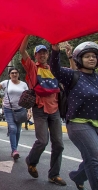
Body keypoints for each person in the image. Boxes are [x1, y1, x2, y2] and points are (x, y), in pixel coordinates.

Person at [19, 36, 66, 186]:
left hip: (55, 109)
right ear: (36, 56)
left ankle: (54, 174)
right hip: (39, 108)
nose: (43, 55)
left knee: (58, 144)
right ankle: (31, 161)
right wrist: (27, 33)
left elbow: (72, 72)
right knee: (42, 141)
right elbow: (21, 50)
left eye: (45, 53)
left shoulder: (54, 69)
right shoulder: (33, 67)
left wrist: (67, 53)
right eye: (40, 53)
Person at [51, 41, 98, 190]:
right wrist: (55, 51)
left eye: (94, 56)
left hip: (96, 123)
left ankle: (78, 176)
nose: (92, 59)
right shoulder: (72, 75)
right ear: (79, 59)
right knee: (95, 158)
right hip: (79, 124)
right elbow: (55, 70)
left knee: (92, 157)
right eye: (87, 56)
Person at [0, 67, 29, 159]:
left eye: (16, 73)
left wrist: (29, 110)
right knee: (13, 129)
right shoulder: (6, 83)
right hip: (8, 109)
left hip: (20, 110)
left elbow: (28, 97)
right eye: (12, 73)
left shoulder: (24, 85)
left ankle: (15, 149)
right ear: (9, 75)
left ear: (18, 74)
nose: (14, 74)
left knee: (17, 131)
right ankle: (14, 150)